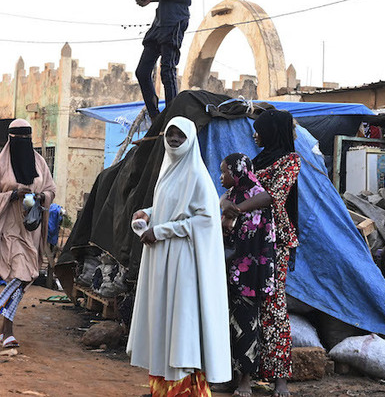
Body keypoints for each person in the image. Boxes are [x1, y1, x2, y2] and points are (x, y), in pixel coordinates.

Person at [128, 117, 230, 396]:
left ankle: (184, 390)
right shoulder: (168, 170)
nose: (173, 140)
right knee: (163, 320)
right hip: (163, 259)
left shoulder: (198, 176)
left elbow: (205, 219)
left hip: (183, 261)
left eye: (180, 136)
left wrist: (160, 231)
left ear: (190, 140)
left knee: (181, 323)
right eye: (170, 134)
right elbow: (172, 205)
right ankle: (161, 387)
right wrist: (148, 213)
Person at [221, 109, 300, 397]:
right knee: (243, 305)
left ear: (271, 131)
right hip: (248, 240)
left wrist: (237, 209)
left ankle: (280, 377)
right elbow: (235, 188)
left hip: (275, 241)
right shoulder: (255, 161)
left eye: (258, 129)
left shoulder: (290, 161)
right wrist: (226, 204)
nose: (255, 134)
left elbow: (273, 195)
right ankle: (243, 375)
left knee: (273, 306)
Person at [0, 119, 56, 348]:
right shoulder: (2, 165)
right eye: (19, 138)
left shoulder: (39, 162)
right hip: (9, 229)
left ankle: (4, 323)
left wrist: (40, 197)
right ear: (11, 139)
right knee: (20, 274)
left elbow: (51, 189)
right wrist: (12, 195)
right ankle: (8, 330)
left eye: (27, 138)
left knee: (27, 276)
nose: (23, 143)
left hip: (31, 229)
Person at [220, 153, 276, 397]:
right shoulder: (233, 196)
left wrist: (232, 214)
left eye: (225, 172)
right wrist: (225, 205)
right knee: (228, 326)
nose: (221, 177)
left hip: (248, 274)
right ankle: (230, 377)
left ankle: (245, 381)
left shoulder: (256, 197)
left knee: (247, 326)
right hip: (231, 272)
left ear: (237, 172)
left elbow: (249, 239)